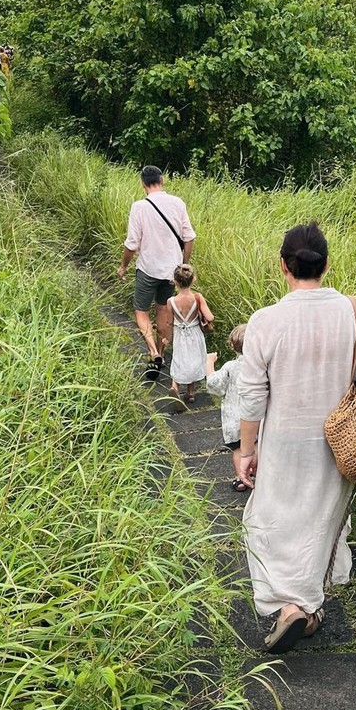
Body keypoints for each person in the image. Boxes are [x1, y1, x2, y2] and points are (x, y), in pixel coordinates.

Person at [236, 222, 356, 654]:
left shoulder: (265, 321)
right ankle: (307, 608)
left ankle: (292, 608)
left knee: (267, 521)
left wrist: (246, 451)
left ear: (283, 267)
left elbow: (250, 397)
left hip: (283, 443)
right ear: (327, 265)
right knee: (322, 523)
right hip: (338, 443)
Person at [117, 166, 196, 379]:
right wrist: (183, 264)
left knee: (141, 311)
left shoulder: (139, 207)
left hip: (148, 269)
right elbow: (189, 238)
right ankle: (162, 353)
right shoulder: (178, 203)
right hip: (171, 270)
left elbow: (132, 243)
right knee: (163, 311)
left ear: (143, 183)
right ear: (162, 180)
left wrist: (123, 266)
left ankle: (152, 352)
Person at [206, 324, 248, 490]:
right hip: (257, 416)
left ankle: (240, 479)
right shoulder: (259, 364)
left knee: (238, 449)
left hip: (234, 417)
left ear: (231, 344)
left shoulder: (230, 367)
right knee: (256, 446)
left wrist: (209, 363)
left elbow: (214, 384)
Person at [166, 263, 213, 404]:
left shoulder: (171, 301)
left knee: (179, 359)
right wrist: (204, 319)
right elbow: (210, 317)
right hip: (195, 333)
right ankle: (190, 393)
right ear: (193, 280)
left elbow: (169, 322)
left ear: (175, 281)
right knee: (193, 359)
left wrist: (166, 339)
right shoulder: (197, 298)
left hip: (180, 334)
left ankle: (174, 386)